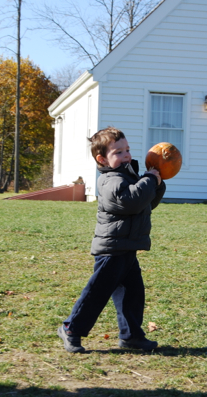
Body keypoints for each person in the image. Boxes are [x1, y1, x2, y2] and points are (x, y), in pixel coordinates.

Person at [57, 126, 166, 353]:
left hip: (127, 248)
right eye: (118, 152)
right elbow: (131, 201)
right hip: (112, 249)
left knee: (133, 294)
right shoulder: (110, 181)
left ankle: (131, 336)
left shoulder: (130, 177)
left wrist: (157, 184)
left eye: (127, 150)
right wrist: (148, 181)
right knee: (97, 293)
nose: (126, 155)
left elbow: (145, 204)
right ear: (102, 159)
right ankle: (71, 328)